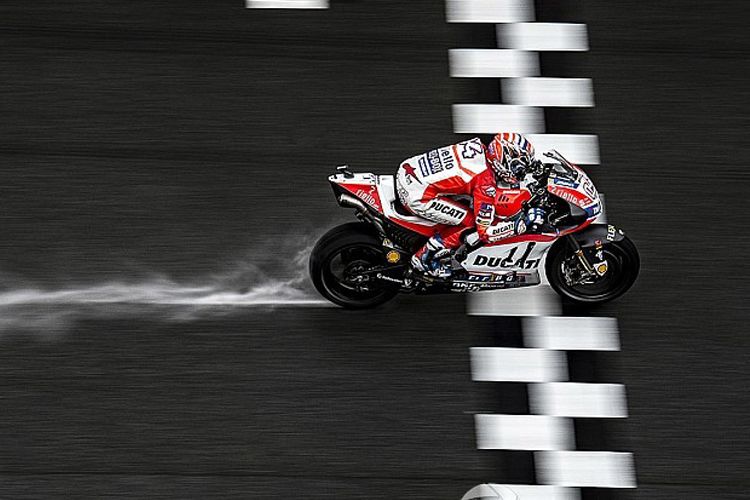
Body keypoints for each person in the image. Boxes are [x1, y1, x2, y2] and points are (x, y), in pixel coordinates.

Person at [395, 133, 548, 277]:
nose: (518, 173)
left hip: (409, 171)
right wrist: (520, 224)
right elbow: (485, 233)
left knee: (465, 203)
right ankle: (423, 258)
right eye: (517, 168)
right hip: (418, 195)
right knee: (470, 223)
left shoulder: (478, 146)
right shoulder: (485, 183)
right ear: (504, 159)